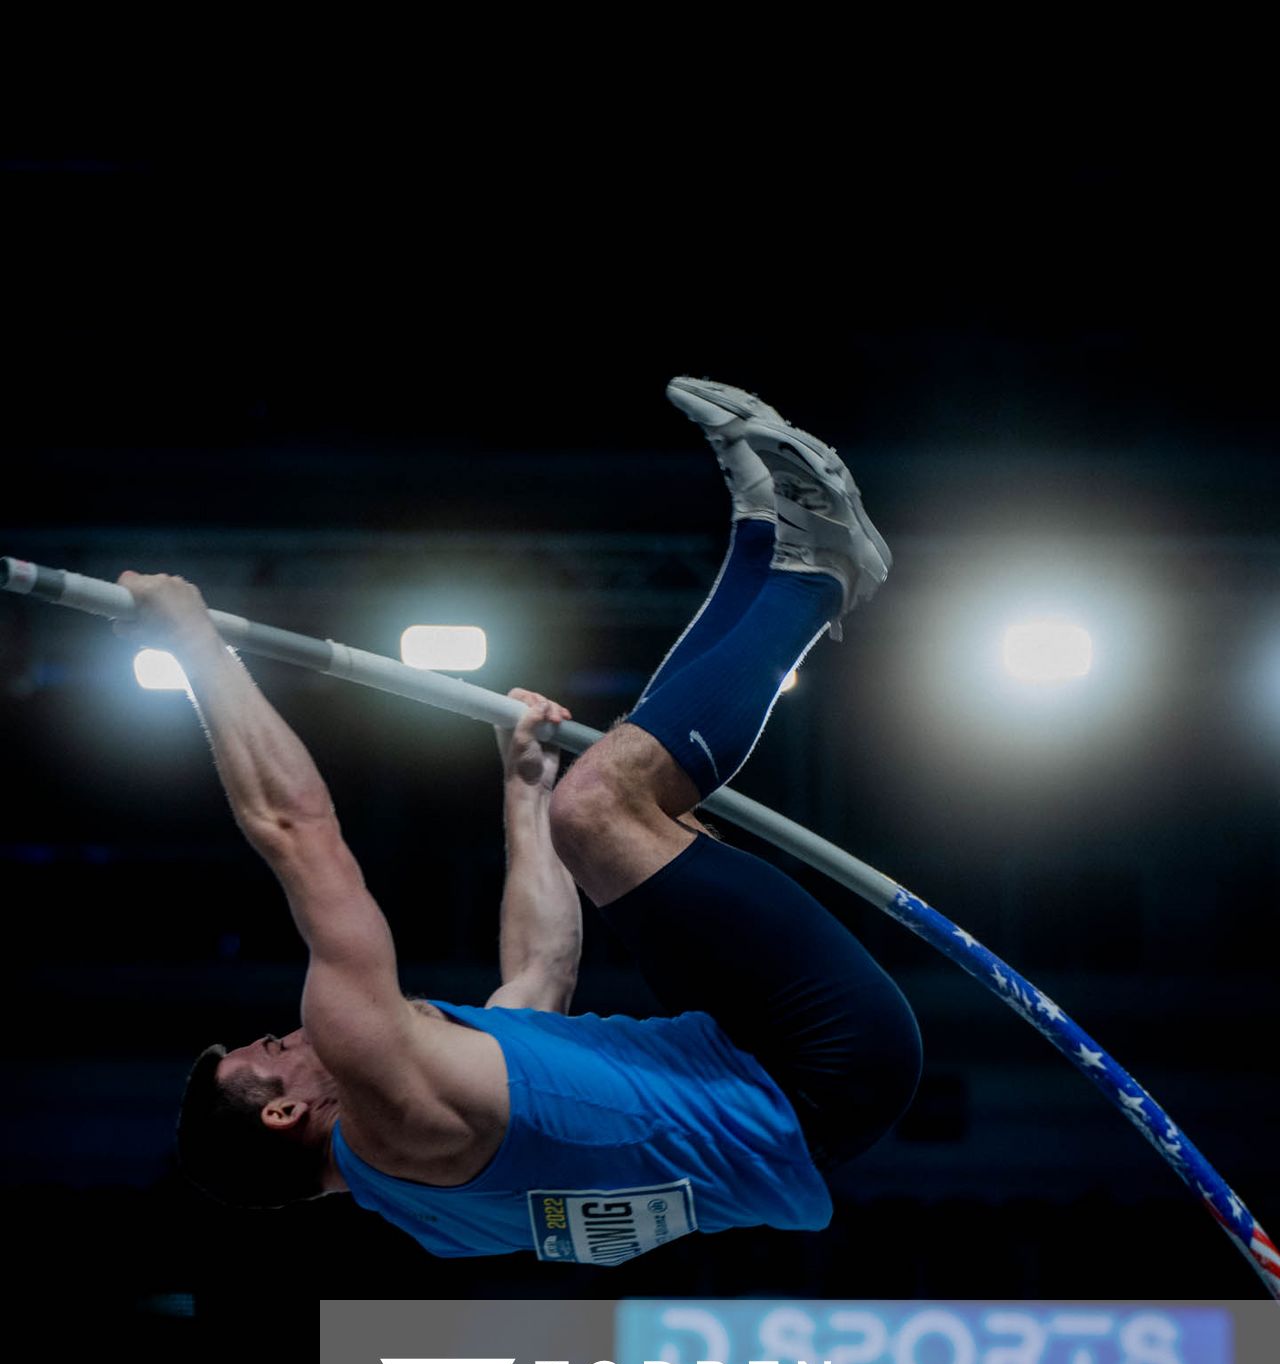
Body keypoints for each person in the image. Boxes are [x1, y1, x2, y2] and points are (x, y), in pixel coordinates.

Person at [135, 378, 921, 1266]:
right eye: (274, 1048)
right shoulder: (378, 1083)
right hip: (817, 1067)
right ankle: (822, 572)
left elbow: (537, 984)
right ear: (284, 1111)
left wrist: (524, 791)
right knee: (604, 808)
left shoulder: (431, 1205)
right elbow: (293, 829)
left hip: (784, 1084)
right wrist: (198, 647)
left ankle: (762, 536)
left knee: (608, 804)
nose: (292, 1030)